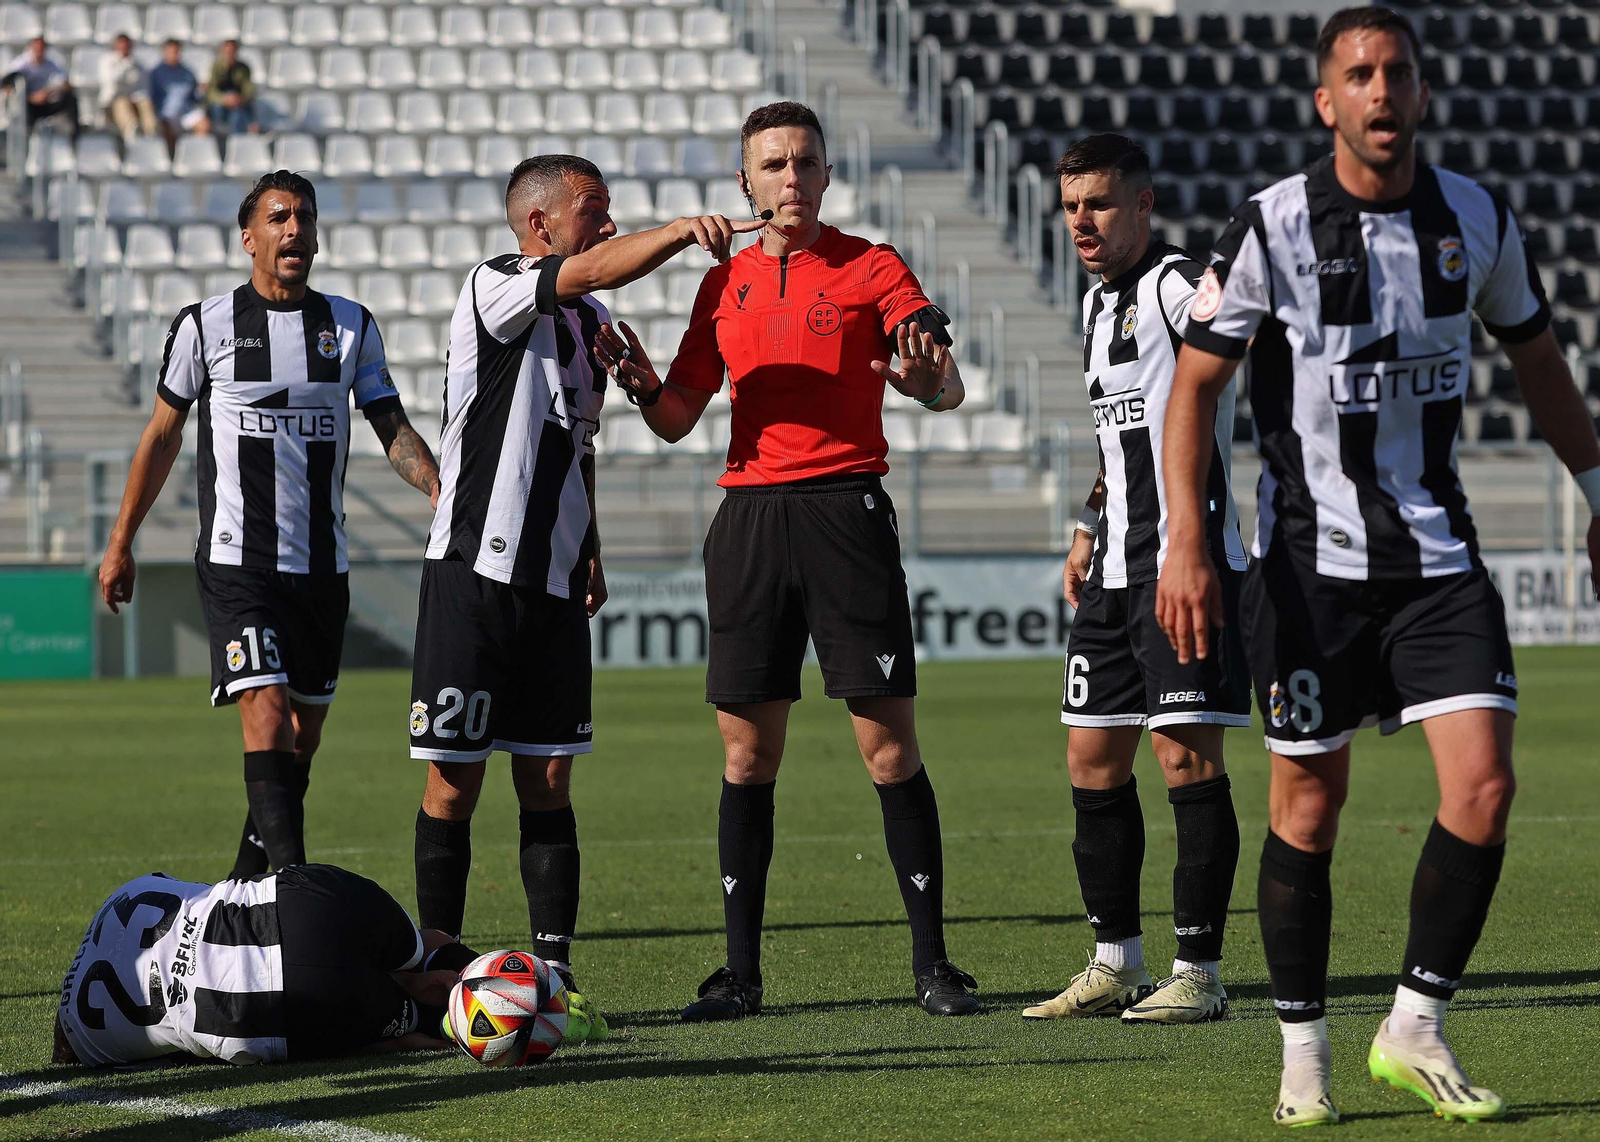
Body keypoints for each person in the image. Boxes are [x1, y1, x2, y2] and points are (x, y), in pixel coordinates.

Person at [1156, 6, 1600, 1126]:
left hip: (1435, 554)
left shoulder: (1475, 217)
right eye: (1358, 74)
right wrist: (1185, 541)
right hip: (1308, 569)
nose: (1380, 91)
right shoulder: (1267, 227)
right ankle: (1300, 1050)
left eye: (1397, 71)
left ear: (1421, 90)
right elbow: (1194, 391)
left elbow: (1539, 364)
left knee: (1486, 784)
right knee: (1307, 804)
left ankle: (1412, 1023)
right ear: (1326, 100)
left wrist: (1598, 487)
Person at [593, 101, 979, 1022]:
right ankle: (741, 978)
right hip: (751, 521)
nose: (791, 179)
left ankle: (933, 967)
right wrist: (642, 380)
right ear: (745, 183)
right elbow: (679, 418)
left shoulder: (872, 265)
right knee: (747, 754)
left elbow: (939, 372)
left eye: (806, 162)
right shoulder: (717, 283)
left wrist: (932, 385)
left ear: (827, 175)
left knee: (888, 750)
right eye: (773, 165)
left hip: (846, 512)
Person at [408, 153, 769, 1031]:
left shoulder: (592, 322)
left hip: (556, 583)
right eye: (593, 210)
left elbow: (582, 442)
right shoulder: (496, 285)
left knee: (550, 776)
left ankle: (552, 975)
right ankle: (435, 973)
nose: (606, 225)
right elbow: (599, 265)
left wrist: (592, 546)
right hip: (474, 575)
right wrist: (684, 231)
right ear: (540, 225)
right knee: (454, 784)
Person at [96, 170, 441, 882]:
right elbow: (161, 438)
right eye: (279, 218)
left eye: (305, 218)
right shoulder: (205, 325)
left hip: (322, 566)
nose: (295, 230)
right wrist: (120, 542)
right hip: (237, 562)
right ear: (248, 237)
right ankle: (292, 896)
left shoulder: (351, 326)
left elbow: (392, 427)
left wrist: (437, 485)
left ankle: (247, 883)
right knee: (266, 712)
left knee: (298, 739)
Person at [1020, 134, 1249, 1028]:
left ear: (1143, 204)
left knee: (1184, 755)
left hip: (1184, 563)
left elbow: (1237, 343)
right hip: (1114, 568)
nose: (1083, 220)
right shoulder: (1094, 304)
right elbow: (1125, 438)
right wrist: (1086, 524)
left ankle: (1200, 971)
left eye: (1101, 204)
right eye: (1072, 205)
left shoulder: (1176, 284)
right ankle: (1115, 962)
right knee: (1092, 757)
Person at [53, 864, 474, 1067]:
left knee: (412, 1031)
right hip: (301, 906)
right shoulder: (121, 896)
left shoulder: (90, 1040)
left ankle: (449, 1012)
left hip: (260, 1010)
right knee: (421, 948)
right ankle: (501, 973)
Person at [1, 37, 79, 140]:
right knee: (19, 89)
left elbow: (66, 84)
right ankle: (25, 135)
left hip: (44, 102)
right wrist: (31, 97)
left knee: (70, 98)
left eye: (42, 48)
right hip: (26, 104)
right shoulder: (21, 65)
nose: (39, 51)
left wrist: (48, 92)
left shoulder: (50, 65)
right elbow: (5, 83)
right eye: (36, 48)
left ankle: (73, 135)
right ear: (31, 48)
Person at [148, 39, 209, 148]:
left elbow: (194, 97)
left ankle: (194, 152)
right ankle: (173, 156)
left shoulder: (188, 72)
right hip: (166, 114)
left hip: (185, 112)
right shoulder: (156, 73)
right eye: (171, 51)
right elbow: (152, 97)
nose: (174, 54)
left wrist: (202, 91)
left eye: (176, 51)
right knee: (164, 127)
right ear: (165, 52)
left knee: (204, 124)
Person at [99, 34, 156, 143]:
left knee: (146, 103)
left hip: (135, 100)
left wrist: (136, 97)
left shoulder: (138, 64)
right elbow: (111, 82)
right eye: (121, 45)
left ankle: (151, 135)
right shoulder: (107, 61)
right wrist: (126, 64)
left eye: (126, 45)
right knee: (122, 103)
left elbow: (144, 86)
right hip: (112, 103)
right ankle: (131, 137)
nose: (124, 48)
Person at [203, 40, 256, 135]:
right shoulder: (216, 68)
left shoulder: (243, 68)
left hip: (237, 105)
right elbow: (211, 92)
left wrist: (239, 99)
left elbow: (249, 90)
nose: (230, 54)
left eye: (232, 51)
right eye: (227, 52)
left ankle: (238, 141)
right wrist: (225, 99)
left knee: (238, 115)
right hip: (219, 106)